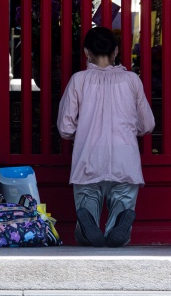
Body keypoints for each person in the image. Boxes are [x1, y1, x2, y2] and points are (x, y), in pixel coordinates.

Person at [56, 26, 155, 247]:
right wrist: (130, 129)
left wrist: (84, 133)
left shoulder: (78, 80)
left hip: (88, 158)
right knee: (123, 204)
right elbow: (148, 124)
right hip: (124, 158)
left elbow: (65, 128)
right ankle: (120, 221)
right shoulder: (132, 80)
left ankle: (87, 223)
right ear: (116, 51)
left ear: (86, 52)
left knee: (87, 207)